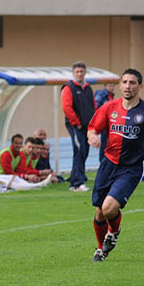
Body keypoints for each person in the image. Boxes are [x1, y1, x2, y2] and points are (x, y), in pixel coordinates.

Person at [86, 69, 144, 261]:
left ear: (140, 87)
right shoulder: (109, 107)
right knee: (99, 211)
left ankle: (114, 232)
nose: (127, 86)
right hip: (108, 164)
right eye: (124, 82)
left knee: (108, 208)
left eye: (132, 83)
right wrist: (92, 137)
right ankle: (101, 249)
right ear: (120, 85)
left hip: (130, 169)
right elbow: (92, 128)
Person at [61, 61, 96, 192]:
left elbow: (93, 106)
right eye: (77, 72)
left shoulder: (88, 88)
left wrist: (94, 122)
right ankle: (77, 183)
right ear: (73, 73)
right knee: (80, 150)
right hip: (76, 126)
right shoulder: (68, 88)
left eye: (82, 71)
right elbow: (66, 107)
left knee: (83, 151)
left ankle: (75, 178)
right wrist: (76, 123)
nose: (80, 74)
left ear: (85, 72)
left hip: (88, 126)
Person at [94, 83, 116, 163]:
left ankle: (107, 161)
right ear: (105, 86)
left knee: (108, 143)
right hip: (104, 123)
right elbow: (97, 108)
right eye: (110, 85)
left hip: (109, 123)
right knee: (104, 143)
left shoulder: (110, 96)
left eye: (113, 86)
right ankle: (103, 161)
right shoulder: (101, 95)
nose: (112, 87)